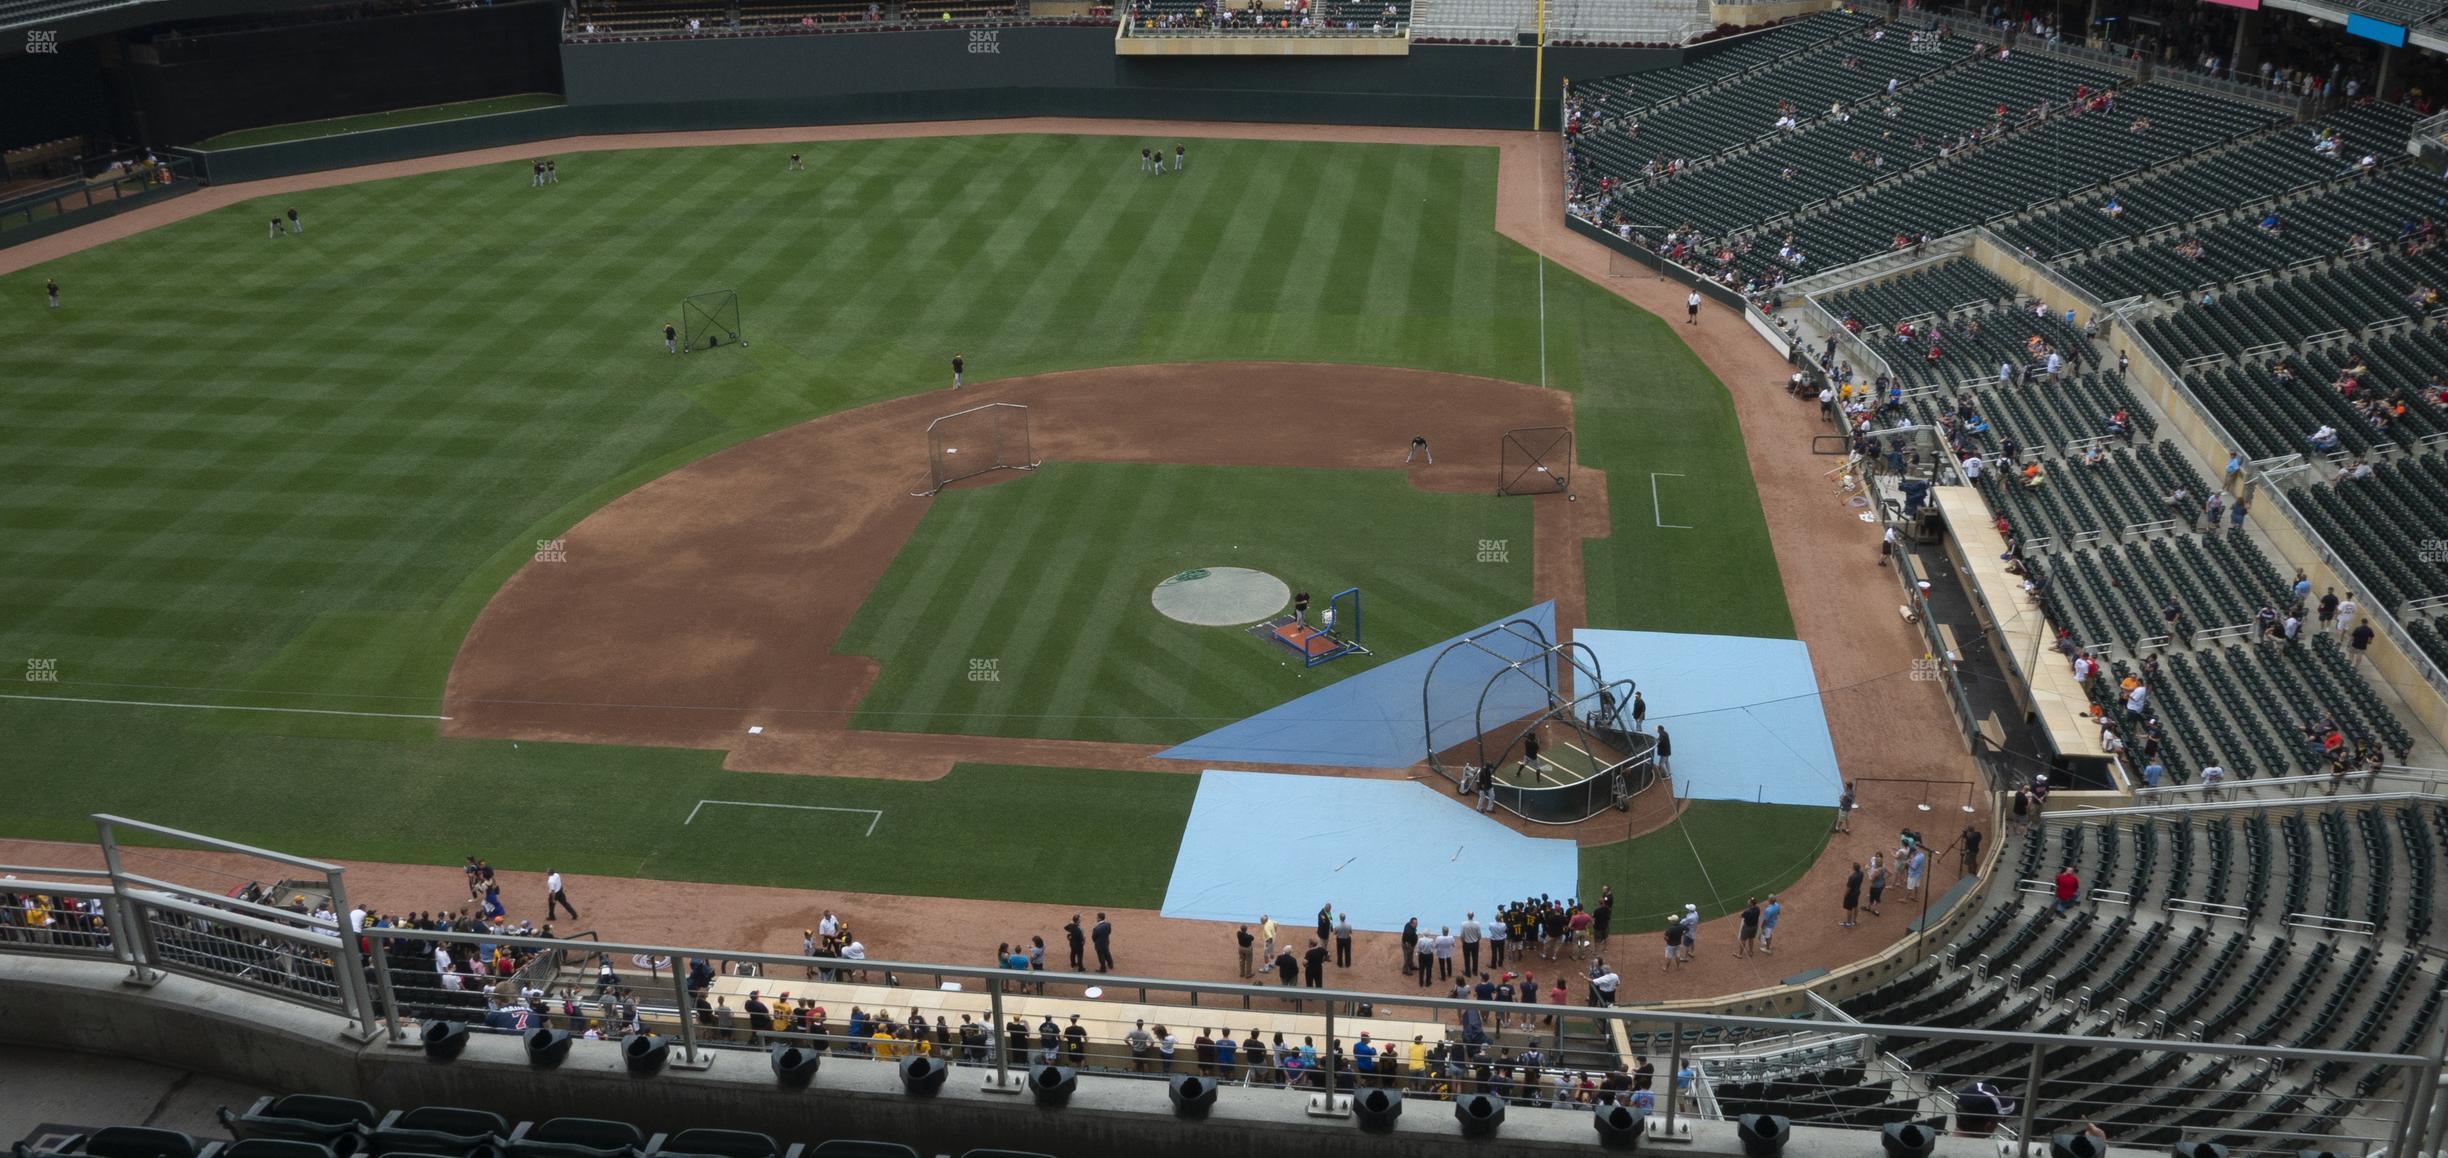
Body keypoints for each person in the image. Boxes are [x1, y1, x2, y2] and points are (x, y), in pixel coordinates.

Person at [1840, 864, 1862, 928]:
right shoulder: (1861, 873)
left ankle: (1848, 923)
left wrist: (1845, 894)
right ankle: (1854, 921)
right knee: (1855, 906)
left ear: (1854, 868)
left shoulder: (1852, 877)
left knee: (1849, 908)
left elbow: (1848, 888)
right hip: (1857, 892)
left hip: (1851, 894)